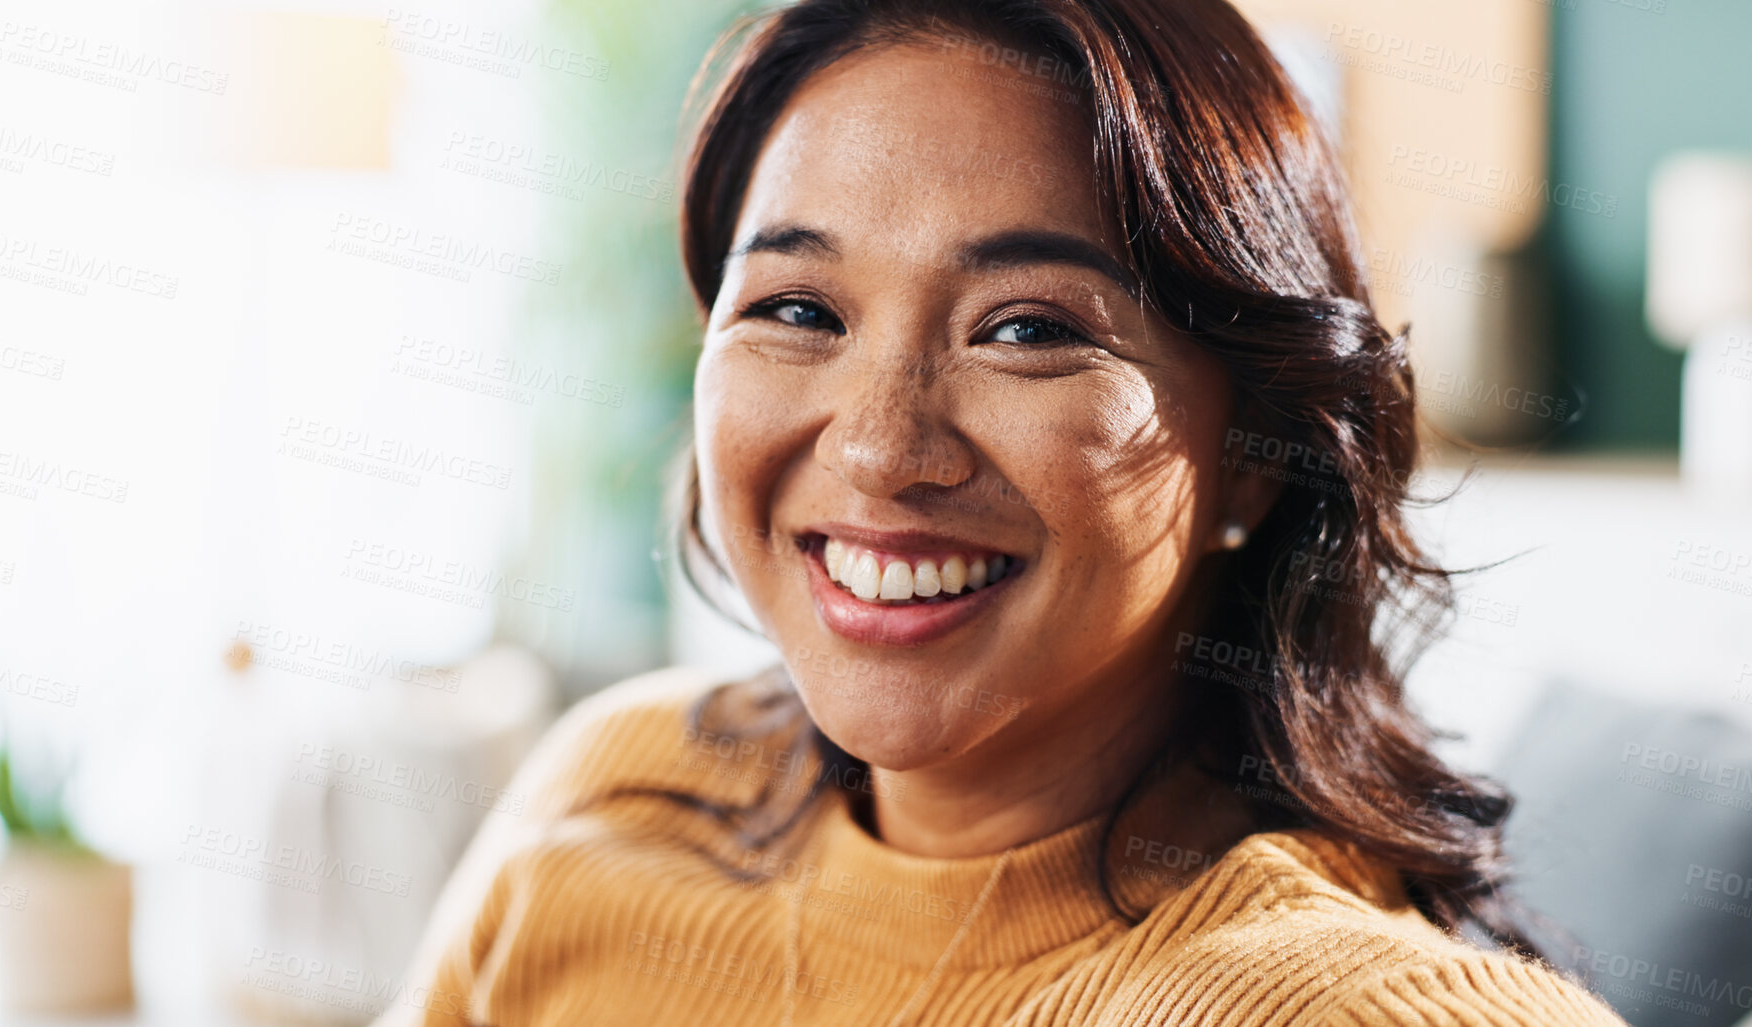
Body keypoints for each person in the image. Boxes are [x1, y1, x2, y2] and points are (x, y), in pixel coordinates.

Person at [385, 1, 1629, 1023]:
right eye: (798, 309)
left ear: (1254, 453)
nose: (879, 447)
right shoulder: (620, 787)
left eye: (1027, 330)